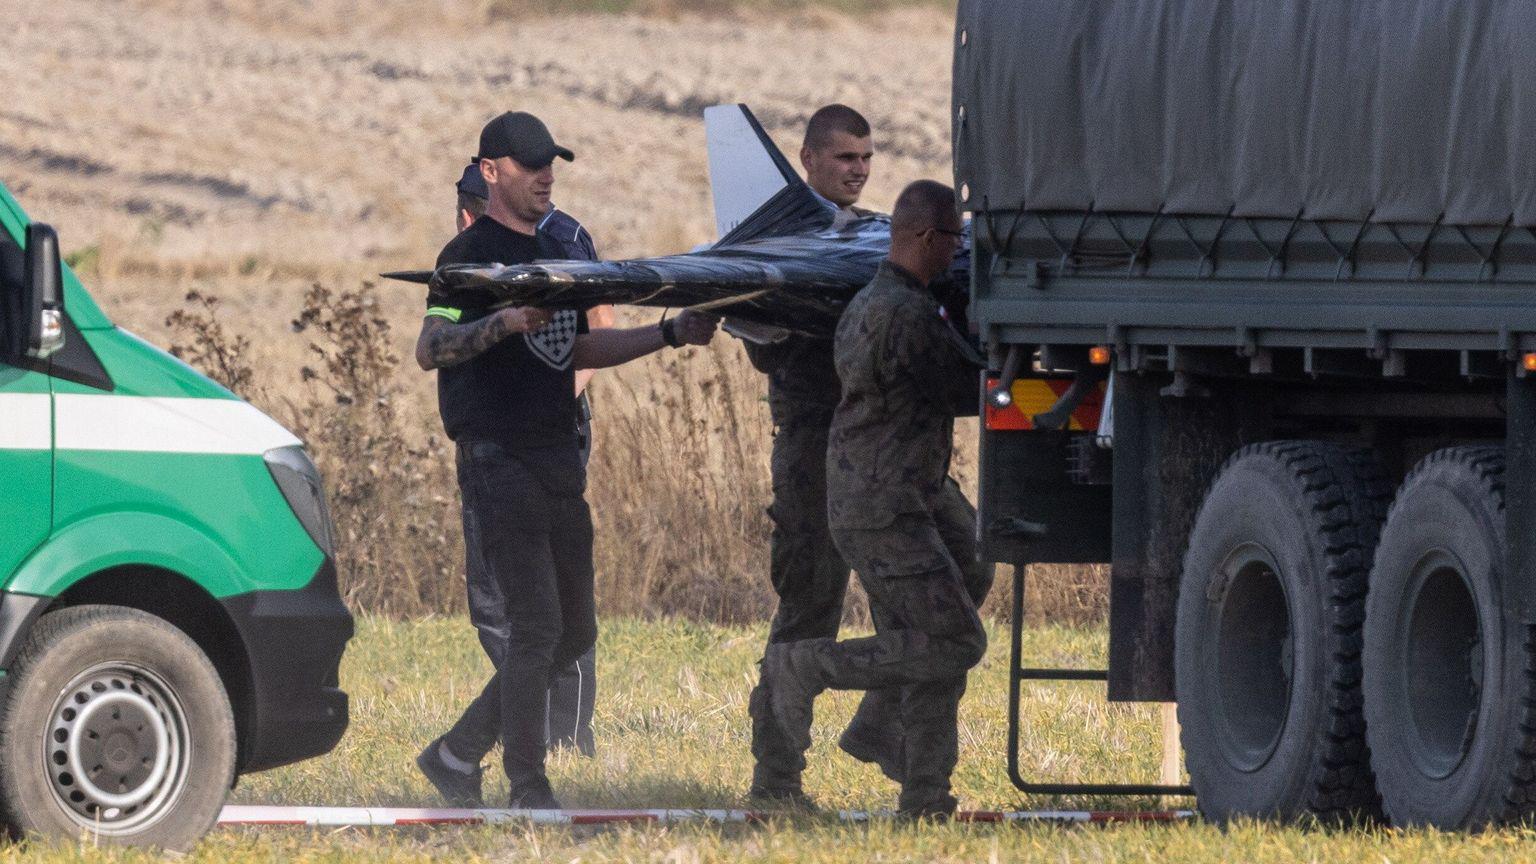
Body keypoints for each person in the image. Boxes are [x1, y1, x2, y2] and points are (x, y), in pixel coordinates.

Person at [415, 111, 718, 809]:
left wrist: (670, 332)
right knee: (537, 627)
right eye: (530, 165)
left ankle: (455, 753)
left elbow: (578, 348)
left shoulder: (559, 252)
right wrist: (501, 322)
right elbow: (431, 348)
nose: (545, 175)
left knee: (575, 629)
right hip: (497, 458)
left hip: (556, 456)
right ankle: (528, 785)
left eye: (550, 163)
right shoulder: (467, 259)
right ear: (491, 172)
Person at [760, 180, 990, 819]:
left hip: (901, 492)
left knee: (955, 593)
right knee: (955, 640)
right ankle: (808, 666)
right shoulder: (906, 315)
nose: (958, 251)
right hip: (885, 503)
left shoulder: (871, 300)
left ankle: (923, 790)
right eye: (953, 239)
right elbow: (963, 388)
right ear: (927, 238)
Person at [450, 162, 613, 757]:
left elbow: (600, 328)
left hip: (547, 438)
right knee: (503, 602)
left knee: (554, 605)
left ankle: (563, 734)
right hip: (496, 439)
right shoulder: (472, 255)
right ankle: (521, 728)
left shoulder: (563, 239)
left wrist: (546, 402)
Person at [742, 105, 878, 806]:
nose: (858, 170)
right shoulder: (781, 245)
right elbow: (755, 334)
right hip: (811, 449)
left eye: (866, 158)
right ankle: (776, 778)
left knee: (950, 582)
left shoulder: (872, 237)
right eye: (845, 157)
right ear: (809, 160)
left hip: (879, 447)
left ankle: (883, 725)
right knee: (811, 605)